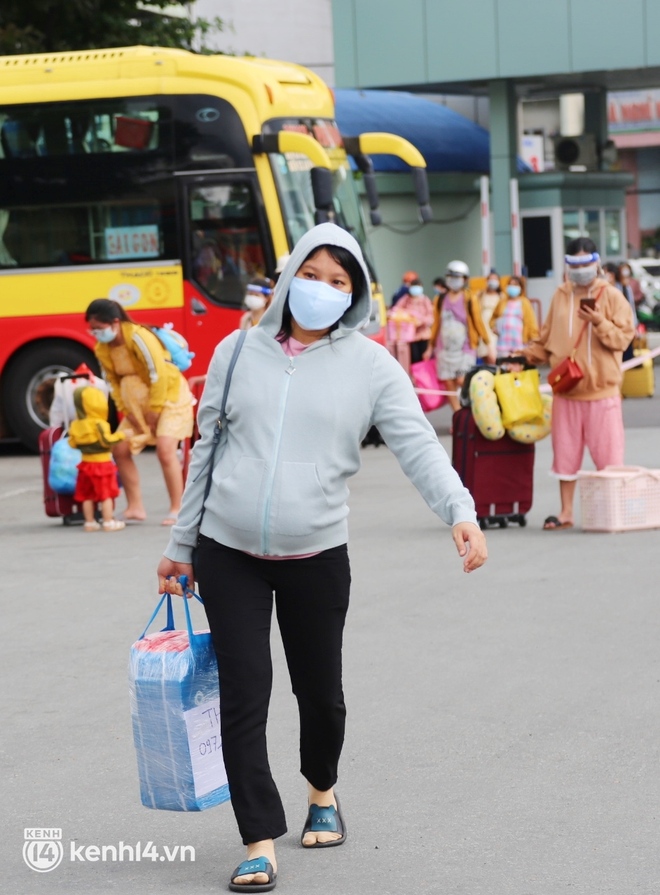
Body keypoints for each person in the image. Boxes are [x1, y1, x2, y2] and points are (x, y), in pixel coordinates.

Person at [156, 223, 488, 892]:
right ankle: (257, 837)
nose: (322, 290)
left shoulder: (370, 365)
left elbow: (419, 445)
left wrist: (459, 510)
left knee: (320, 694)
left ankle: (323, 789)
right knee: (245, 694)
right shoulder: (235, 351)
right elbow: (204, 454)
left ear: (356, 293)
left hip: (316, 554)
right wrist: (180, 544)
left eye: (339, 282)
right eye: (312, 275)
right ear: (287, 278)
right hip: (229, 551)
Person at [523, 237, 635, 530]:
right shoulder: (560, 295)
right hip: (567, 392)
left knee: (609, 457)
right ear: (567, 266)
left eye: (587, 263)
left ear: (597, 263)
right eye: (575, 264)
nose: (581, 269)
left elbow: (624, 338)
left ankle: (611, 510)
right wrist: (524, 356)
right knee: (565, 454)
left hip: (603, 392)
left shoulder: (611, 296)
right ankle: (566, 513)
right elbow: (546, 339)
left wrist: (599, 321)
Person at [84, 299, 194, 525]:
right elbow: (112, 382)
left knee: (165, 450)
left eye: (99, 328)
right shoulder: (101, 348)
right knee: (120, 448)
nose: (96, 333)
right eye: (92, 329)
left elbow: (158, 374)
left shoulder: (138, 336)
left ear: (115, 322)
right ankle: (135, 507)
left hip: (169, 397)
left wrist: (154, 409)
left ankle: (177, 507)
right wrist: (127, 411)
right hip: (135, 406)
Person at [424, 259, 494, 413]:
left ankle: (474, 408)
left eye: (457, 277)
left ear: (465, 279)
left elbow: (477, 321)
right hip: (444, 348)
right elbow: (436, 324)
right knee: (448, 382)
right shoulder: (440, 299)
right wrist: (430, 347)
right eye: (451, 277)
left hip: (465, 348)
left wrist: (487, 343)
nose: (453, 280)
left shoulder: (470, 298)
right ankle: (458, 415)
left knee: (462, 380)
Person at [68, 384, 128, 532]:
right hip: (102, 464)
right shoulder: (100, 424)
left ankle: (89, 522)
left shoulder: (75, 424)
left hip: (85, 464)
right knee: (106, 495)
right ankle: (108, 521)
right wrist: (122, 435)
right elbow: (107, 441)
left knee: (87, 495)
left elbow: (73, 443)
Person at [490, 275, 539, 356]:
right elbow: (493, 318)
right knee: (504, 366)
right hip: (503, 342)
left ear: (521, 288)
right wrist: (494, 327)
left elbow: (531, 322)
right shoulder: (502, 302)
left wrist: (533, 339)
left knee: (517, 366)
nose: (512, 287)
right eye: (510, 284)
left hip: (519, 342)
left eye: (515, 285)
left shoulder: (525, 303)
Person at [389, 276, 434, 363]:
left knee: (424, 359)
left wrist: (421, 321)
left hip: (424, 335)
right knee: (413, 360)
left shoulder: (425, 300)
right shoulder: (406, 299)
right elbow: (395, 310)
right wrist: (407, 317)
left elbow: (430, 317)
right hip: (410, 337)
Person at [476, 271, 502, 361]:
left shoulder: (502, 296)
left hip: (494, 327)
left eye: (495, 279)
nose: (492, 281)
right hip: (482, 325)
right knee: (484, 352)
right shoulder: (480, 294)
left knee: (493, 353)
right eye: (490, 279)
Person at [615, 263, 639, 362]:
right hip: (619, 324)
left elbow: (631, 307)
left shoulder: (628, 288)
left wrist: (635, 324)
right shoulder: (615, 288)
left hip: (629, 323)